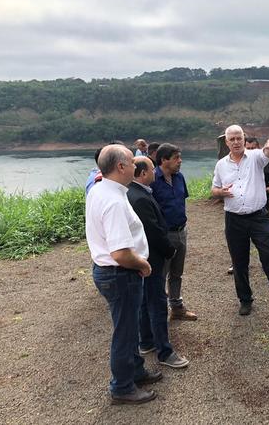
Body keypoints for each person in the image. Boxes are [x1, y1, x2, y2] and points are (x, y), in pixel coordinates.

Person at [86, 144, 161, 405]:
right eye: (131, 162)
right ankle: (122, 387)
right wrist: (142, 264)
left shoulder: (100, 189)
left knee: (128, 326)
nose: (136, 166)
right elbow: (120, 253)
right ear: (120, 167)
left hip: (111, 272)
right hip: (120, 273)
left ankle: (135, 370)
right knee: (125, 331)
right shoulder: (114, 201)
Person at [211, 125, 269, 318]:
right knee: (239, 262)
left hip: (259, 218)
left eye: (239, 138)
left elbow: (267, 153)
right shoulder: (221, 165)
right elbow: (214, 189)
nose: (236, 142)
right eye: (232, 139)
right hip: (234, 219)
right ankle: (245, 300)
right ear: (227, 142)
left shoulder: (256, 156)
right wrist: (220, 192)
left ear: (243, 138)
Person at [127, 156, 190, 369]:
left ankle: (146, 341)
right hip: (152, 257)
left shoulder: (133, 192)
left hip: (143, 257)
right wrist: (169, 249)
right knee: (157, 303)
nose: (155, 173)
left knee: (145, 301)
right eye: (152, 169)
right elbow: (152, 230)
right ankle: (165, 351)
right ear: (143, 173)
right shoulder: (140, 197)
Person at [151, 143, 197, 321]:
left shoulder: (179, 178)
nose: (180, 161)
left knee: (177, 272)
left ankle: (177, 307)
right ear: (164, 160)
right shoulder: (152, 180)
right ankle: (159, 312)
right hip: (164, 235)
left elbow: (180, 202)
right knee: (161, 274)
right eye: (176, 158)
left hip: (181, 231)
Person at [226, 136, 269, 275]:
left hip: (262, 207)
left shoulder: (266, 163)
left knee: (263, 238)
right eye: (247, 148)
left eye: (252, 148)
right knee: (240, 242)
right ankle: (237, 263)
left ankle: (267, 261)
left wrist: (264, 189)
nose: (249, 150)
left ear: (259, 148)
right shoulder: (238, 164)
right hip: (240, 211)